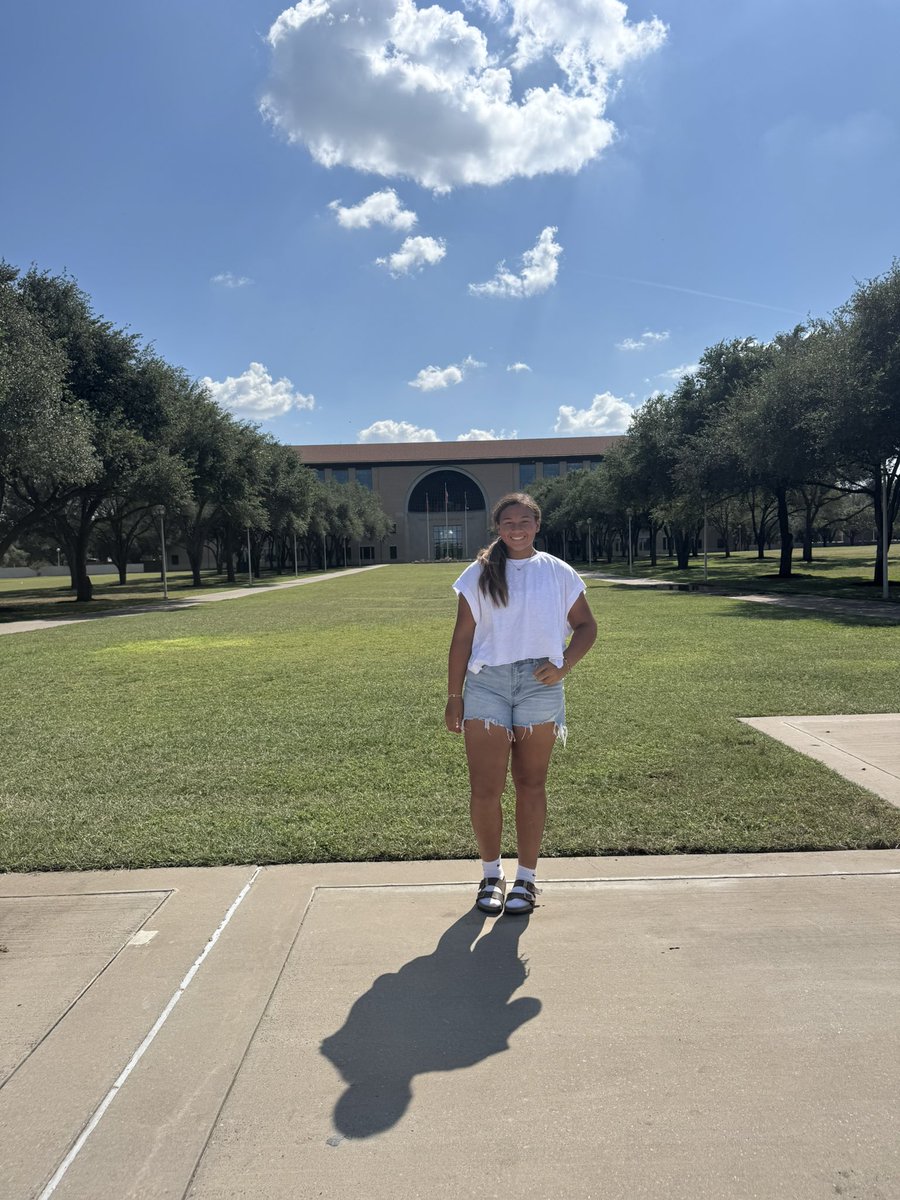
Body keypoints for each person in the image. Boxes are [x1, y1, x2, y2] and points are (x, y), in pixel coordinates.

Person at [445, 492, 597, 916]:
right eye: (508, 521)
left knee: (531, 784)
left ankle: (526, 880)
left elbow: (586, 626)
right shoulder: (477, 574)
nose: (516, 528)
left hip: (539, 683)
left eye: (524, 521)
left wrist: (564, 666)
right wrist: (454, 697)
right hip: (486, 683)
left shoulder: (558, 572)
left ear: (537, 525)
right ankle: (491, 875)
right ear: (498, 527)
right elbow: (461, 638)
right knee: (486, 788)